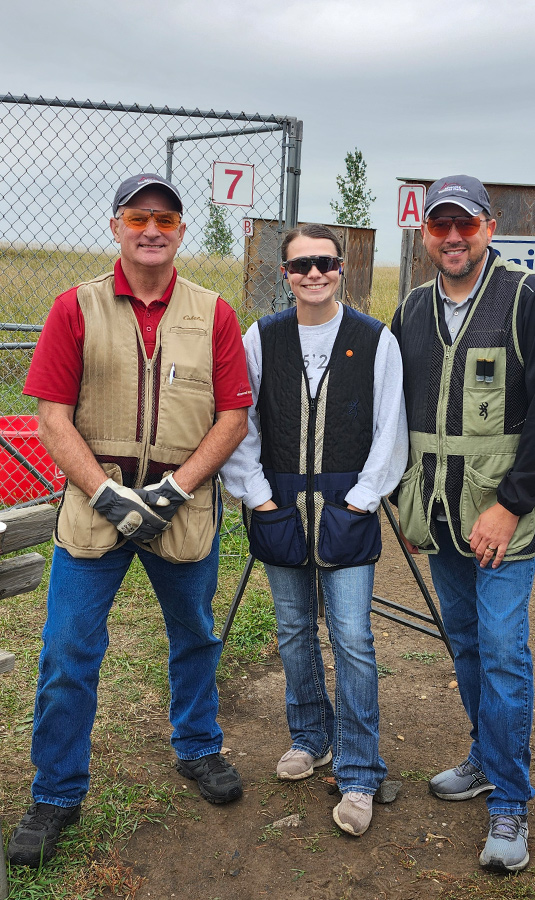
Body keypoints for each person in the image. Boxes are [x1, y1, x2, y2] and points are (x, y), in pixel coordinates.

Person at [9, 173, 253, 867]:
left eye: (167, 220)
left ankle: (199, 748)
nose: (153, 229)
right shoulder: (75, 308)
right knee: (67, 652)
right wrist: (106, 494)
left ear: (180, 233)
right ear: (115, 225)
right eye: (139, 217)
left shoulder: (214, 313)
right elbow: (52, 418)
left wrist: (173, 491)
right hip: (97, 507)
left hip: (182, 504)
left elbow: (233, 415)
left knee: (197, 636)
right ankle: (56, 793)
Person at [391, 175, 535, 872]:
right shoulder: (410, 310)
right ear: (426, 234)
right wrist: (403, 499)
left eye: (464, 224)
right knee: (464, 641)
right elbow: (392, 412)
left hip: (502, 518)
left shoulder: (530, 300)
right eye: (439, 226)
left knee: (502, 650)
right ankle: (483, 752)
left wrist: (511, 503)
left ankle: (509, 802)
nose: (452, 237)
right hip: (438, 516)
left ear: (489, 228)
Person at [221, 224, 407, 837]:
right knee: (295, 628)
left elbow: (390, 427)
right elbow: (240, 420)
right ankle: (309, 736)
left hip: (344, 506)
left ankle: (359, 770)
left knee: (352, 636)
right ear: (286, 274)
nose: (314, 275)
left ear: (342, 268)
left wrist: (360, 500)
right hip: (280, 504)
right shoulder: (263, 337)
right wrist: (259, 494)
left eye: (324, 263)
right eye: (301, 266)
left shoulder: (374, 339)